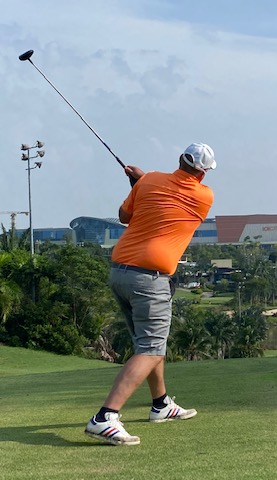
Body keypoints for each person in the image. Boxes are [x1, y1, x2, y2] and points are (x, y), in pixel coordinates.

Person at [84, 143, 215, 446]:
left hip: (120, 273)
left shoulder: (151, 180)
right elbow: (168, 200)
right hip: (149, 279)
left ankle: (161, 404)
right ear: (203, 172)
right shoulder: (204, 196)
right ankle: (105, 417)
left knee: (150, 344)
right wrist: (140, 182)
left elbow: (124, 216)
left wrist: (140, 183)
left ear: (180, 159)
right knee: (151, 348)